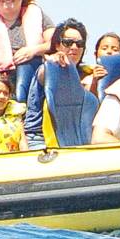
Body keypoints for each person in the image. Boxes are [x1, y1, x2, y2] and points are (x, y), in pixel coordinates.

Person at [24, 19, 91, 148]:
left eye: (79, 43)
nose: (74, 47)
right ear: (57, 45)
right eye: (68, 42)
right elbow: (44, 74)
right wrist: (52, 63)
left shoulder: (87, 74)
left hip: (76, 139)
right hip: (40, 139)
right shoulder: (48, 68)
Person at [86, 32, 120, 97]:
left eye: (115, 49)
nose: (109, 52)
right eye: (104, 48)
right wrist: (94, 82)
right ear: (96, 54)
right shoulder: (86, 81)